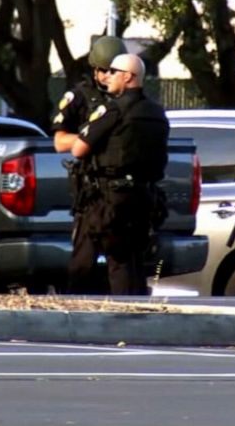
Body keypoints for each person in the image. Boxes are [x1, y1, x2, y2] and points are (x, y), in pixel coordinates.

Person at [70, 53, 169, 295]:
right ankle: (136, 317)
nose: (107, 76)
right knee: (133, 262)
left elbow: (78, 148)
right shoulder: (157, 112)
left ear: (127, 77)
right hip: (144, 198)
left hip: (108, 200)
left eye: (113, 71)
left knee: (89, 264)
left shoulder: (114, 110)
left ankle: (75, 317)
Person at [52, 36, 127, 294]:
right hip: (92, 190)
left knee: (124, 264)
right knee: (82, 262)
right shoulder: (80, 97)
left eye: (115, 71)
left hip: (123, 189)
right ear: (95, 70)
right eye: (105, 70)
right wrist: (93, 137)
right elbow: (60, 142)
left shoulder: (130, 100)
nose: (109, 76)